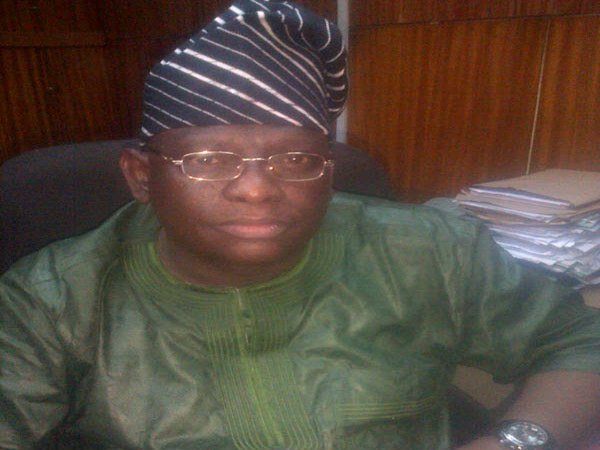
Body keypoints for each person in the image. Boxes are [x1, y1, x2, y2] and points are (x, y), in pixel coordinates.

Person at [1, 1, 600, 449]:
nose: (257, 188)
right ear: (141, 176)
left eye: (295, 160)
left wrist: (514, 442)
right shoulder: (53, 301)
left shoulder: (430, 250)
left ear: (328, 172)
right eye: (208, 160)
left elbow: (578, 339)